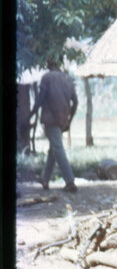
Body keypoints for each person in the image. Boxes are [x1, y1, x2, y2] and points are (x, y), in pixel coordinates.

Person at [30, 60, 78, 192]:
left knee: (57, 148)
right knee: (54, 149)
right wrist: (69, 120)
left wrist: (31, 114)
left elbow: (40, 98)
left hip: (51, 119)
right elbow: (76, 102)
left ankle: (70, 181)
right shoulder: (67, 78)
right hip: (63, 119)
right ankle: (45, 179)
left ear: (49, 65)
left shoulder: (47, 78)